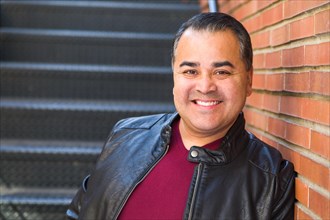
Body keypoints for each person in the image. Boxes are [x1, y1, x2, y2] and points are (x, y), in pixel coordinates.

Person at [66, 12, 295, 220]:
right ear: (174, 75)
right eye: (190, 71)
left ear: (249, 79)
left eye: (222, 72)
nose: (205, 86)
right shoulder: (125, 135)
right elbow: (78, 213)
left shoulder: (271, 178)